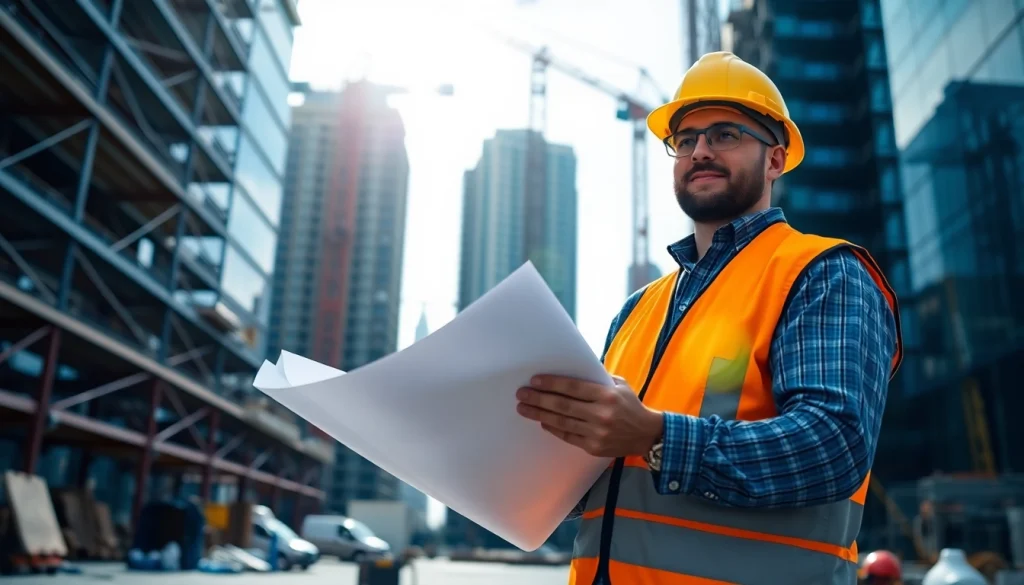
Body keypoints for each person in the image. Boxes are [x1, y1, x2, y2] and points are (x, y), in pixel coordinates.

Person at [514, 51, 903, 585]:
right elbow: (608, 478)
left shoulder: (822, 273)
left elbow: (831, 446)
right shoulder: (638, 308)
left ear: (775, 159)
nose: (699, 151)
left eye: (725, 134)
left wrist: (653, 435)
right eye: (685, 140)